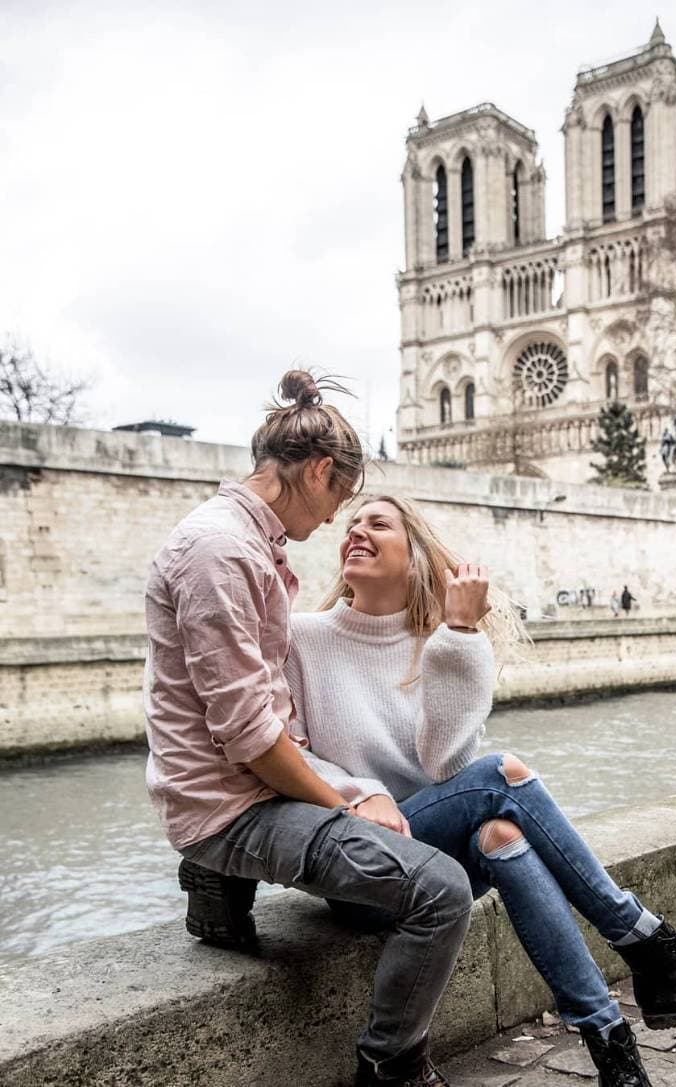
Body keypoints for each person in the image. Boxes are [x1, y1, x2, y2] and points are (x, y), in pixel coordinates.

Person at [282, 496, 676, 1087]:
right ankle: (650, 950)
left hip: (435, 866)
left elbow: (444, 764)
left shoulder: (445, 644)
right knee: (503, 775)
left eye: (378, 524)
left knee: (502, 834)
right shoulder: (302, 638)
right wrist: (363, 792)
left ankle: (611, 1046)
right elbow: (284, 750)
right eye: (352, 524)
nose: (356, 532)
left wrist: (459, 633)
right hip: (361, 865)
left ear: (415, 557)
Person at [144, 373, 474, 1087]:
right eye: (337, 502)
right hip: (238, 805)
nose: (333, 523)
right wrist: (349, 802)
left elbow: (270, 717)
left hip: (249, 787)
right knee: (441, 889)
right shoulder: (220, 551)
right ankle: (390, 1064)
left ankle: (215, 875)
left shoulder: (249, 545)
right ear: (320, 471)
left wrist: (353, 788)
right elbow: (251, 737)